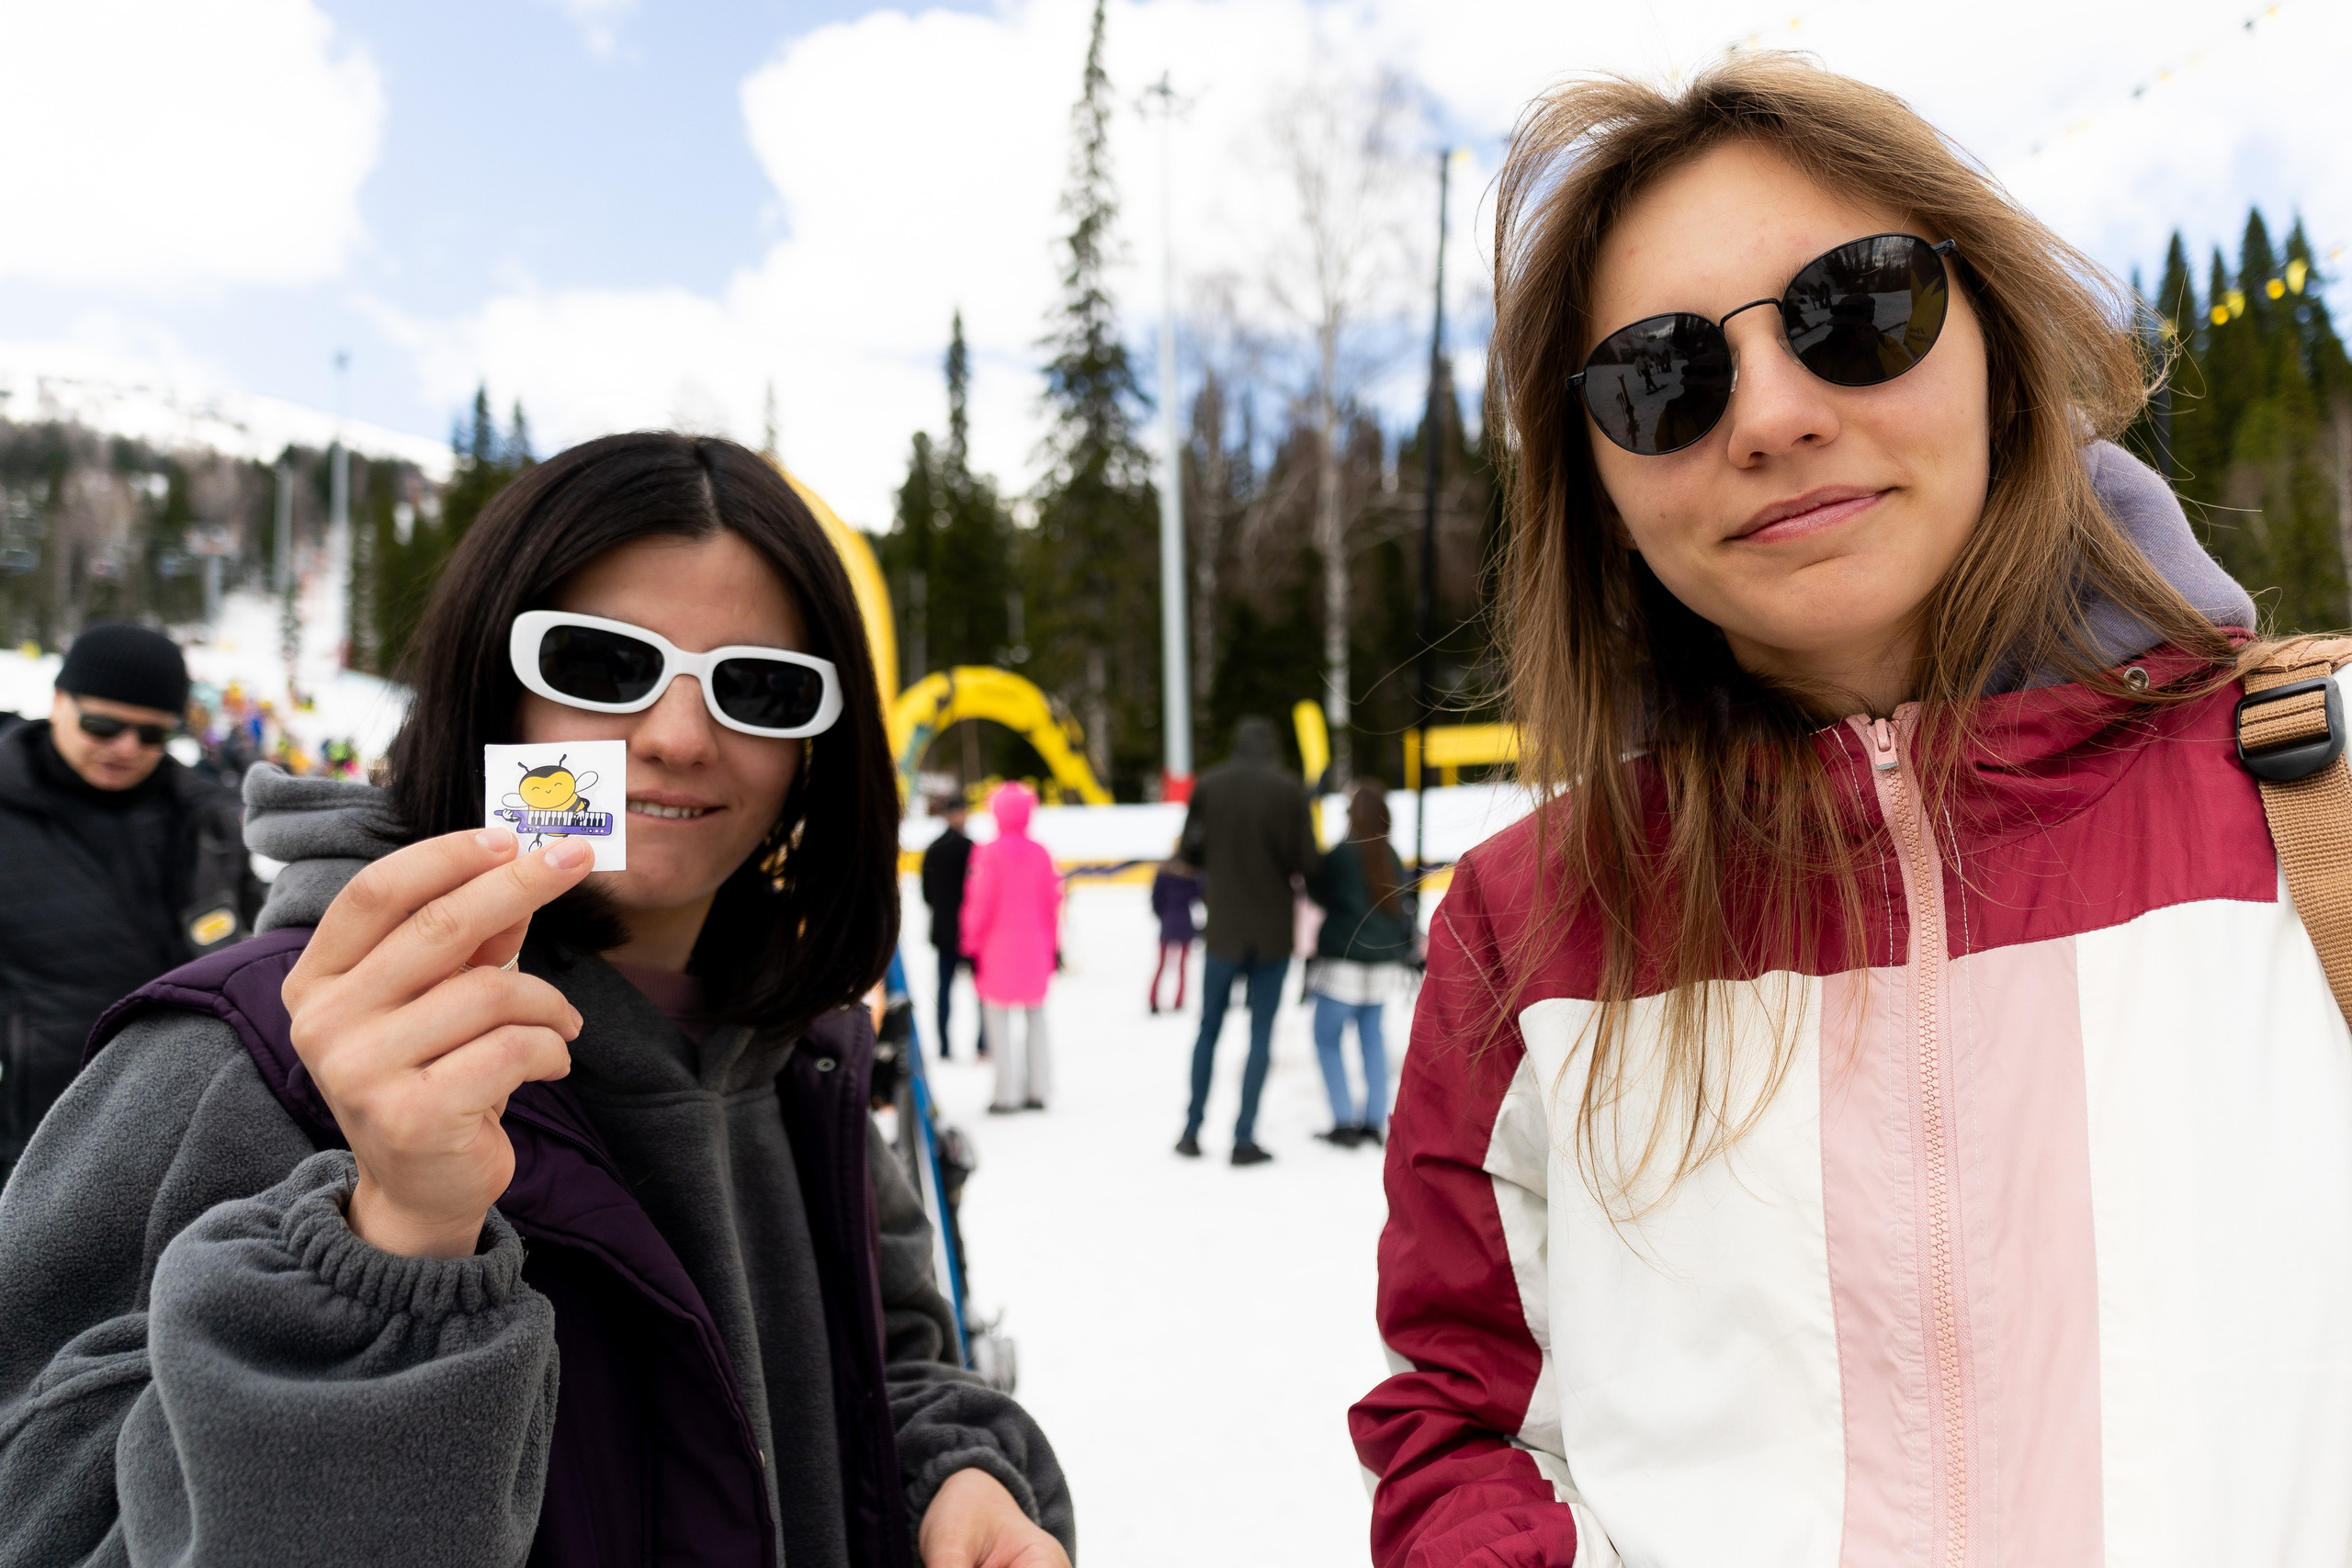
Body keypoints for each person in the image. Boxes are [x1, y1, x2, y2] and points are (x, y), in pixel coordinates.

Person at [1351, 55, 2350, 1568]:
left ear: (1997, 344)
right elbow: (1466, 1418)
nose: (1769, 415)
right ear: (1598, 478)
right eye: (1660, 377)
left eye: (1858, 308)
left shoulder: (2323, 793)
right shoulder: (1527, 926)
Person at [0, 434, 1073, 1568]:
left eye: (760, 687)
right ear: (487, 688)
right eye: (602, 665)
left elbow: (883, 1364)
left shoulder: (796, 1053)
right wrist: (394, 1248)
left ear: (819, 745)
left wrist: (950, 1476)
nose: (678, 738)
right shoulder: (241, 1051)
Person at [0, 621, 261, 1186]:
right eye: (103, 724)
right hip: (36, 1142)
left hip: (185, 1133)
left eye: (151, 734)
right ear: (58, 701)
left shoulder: (207, 819)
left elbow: (255, 939)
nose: (125, 748)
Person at [1174, 716, 1319, 1166]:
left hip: (1222, 931)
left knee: (1208, 1030)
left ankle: (1191, 1130)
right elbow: (1308, 863)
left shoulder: (1208, 786)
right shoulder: (1289, 791)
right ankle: (1244, 1136)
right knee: (1260, 1035)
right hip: (1272, 934)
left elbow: (1189, 852)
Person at [1303, 780, 1414, 1149]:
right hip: (1383, 964)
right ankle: (1374, 1120)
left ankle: (1343, 1121)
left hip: (1343, 961)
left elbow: (1319, 894)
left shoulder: (1342, 854)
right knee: (1372, 1039)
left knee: (1327, 1038)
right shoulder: (1391, 855)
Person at [960, 781, 1059, 1114]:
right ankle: (1039, 1089)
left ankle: (1006, 1094)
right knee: (1037, 1019)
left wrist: (970, 945)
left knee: (998, 1023)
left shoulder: (989, 853)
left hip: (996, 949)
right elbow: (1052, 904)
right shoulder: (1041, 853)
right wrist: (1054, 946)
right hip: (1036, 947)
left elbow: (980, 904)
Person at [921, 795, 976, 1057]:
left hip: (943, 930)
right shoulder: (972, 848)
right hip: (970, 932)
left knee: (944, 990)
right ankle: (982, 1045)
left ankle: (944, 1046)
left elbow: (926, 894)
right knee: (980, 992)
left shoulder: (934, 848)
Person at [1147, 848, 1200, 1012]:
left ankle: (1154, 1000)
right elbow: (1198, 895)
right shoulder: (1190, 873)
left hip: (1169, 923)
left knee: (1161, 965)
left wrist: (1164, 916)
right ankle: (1178, 1002)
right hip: (1184, 923)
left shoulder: (1163, 873)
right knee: (1181, 967)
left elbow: (1156, 900)